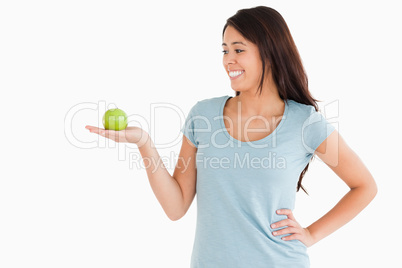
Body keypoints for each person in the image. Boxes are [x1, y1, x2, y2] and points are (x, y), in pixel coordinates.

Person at [85, 6, 377, 268]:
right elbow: (176, 208)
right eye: (224, 50)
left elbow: (364, 186)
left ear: (270, 52)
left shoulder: (305, 123)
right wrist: (144, 143)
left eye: (239, 50)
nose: (229, 60)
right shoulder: (203, 115)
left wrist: (311, 234)